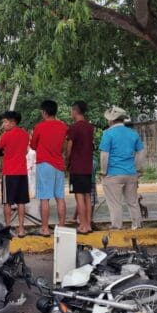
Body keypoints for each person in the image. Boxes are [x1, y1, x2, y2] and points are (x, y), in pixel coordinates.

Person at [98, 106, 144, 230]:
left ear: (111, 120)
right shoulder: (133, 133)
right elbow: (140, 153)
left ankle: (116, 227)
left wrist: (103, 172)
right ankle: (137, 226)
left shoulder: (107, 134)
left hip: (113, 174)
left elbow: (104, 155)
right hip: (130, 173)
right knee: (133, 202)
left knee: (115, 204)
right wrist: (138, 169)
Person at [30, 100, 68, 236]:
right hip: (59, 164)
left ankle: (45, 228)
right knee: (60, 198)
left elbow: (33, 145)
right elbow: (63, 144)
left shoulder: (39, 126)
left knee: (44, 198)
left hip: (44, 164)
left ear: (44, 112)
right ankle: (62, 227)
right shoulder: (63, 126)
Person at [0, 110, 30, 237]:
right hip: (22, 172)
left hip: (9, 172)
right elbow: (25, 151)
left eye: (5, 122)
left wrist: (3, 151)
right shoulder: (25, 134)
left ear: (12, 122)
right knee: (21, 202)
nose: (3, 124)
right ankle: (21, 229)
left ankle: (8, 227)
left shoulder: (6, 135)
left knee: (7, 202)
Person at [66, 100, 94, 234]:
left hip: (77, 166)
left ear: (75, 111)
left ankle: (82, 225)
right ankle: (88, 224)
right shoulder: (90, 127)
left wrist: (67, 162)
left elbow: (69, 147)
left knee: (79, 196)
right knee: (87, 196)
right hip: (87, 166)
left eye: (71, 111)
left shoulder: (74, 127)